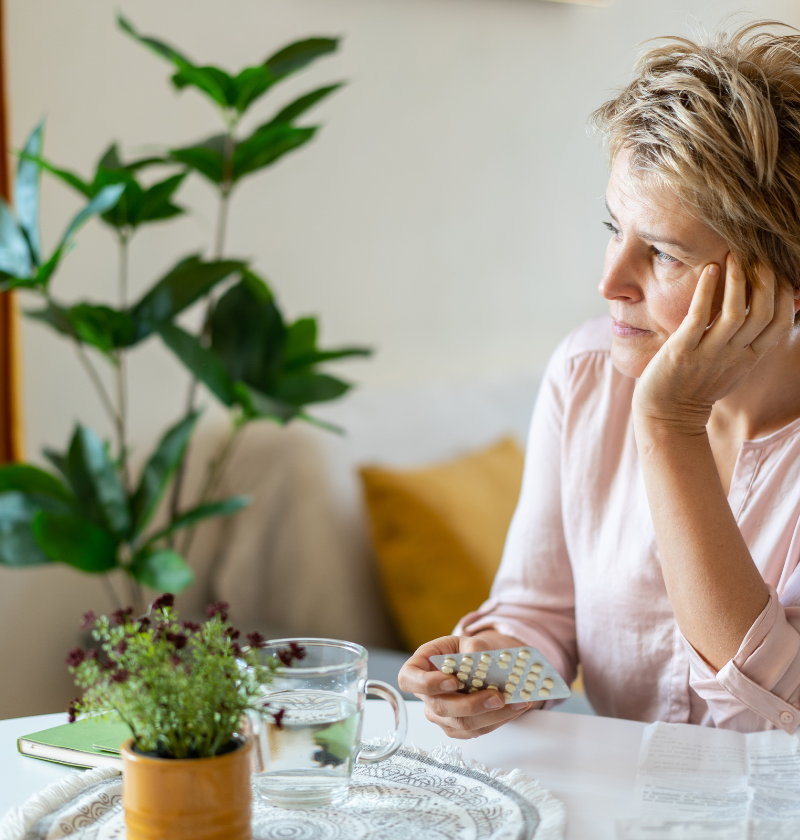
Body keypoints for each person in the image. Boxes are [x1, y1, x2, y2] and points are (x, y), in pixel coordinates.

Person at [398, 21, 800, 738]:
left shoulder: (657, 407)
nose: (610, 280)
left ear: (780, 286)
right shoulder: (585, 377)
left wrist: (669, 427)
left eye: (665, 255)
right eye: (613, 227)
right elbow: (540, 613)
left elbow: (782, 716)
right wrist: (487, 671)